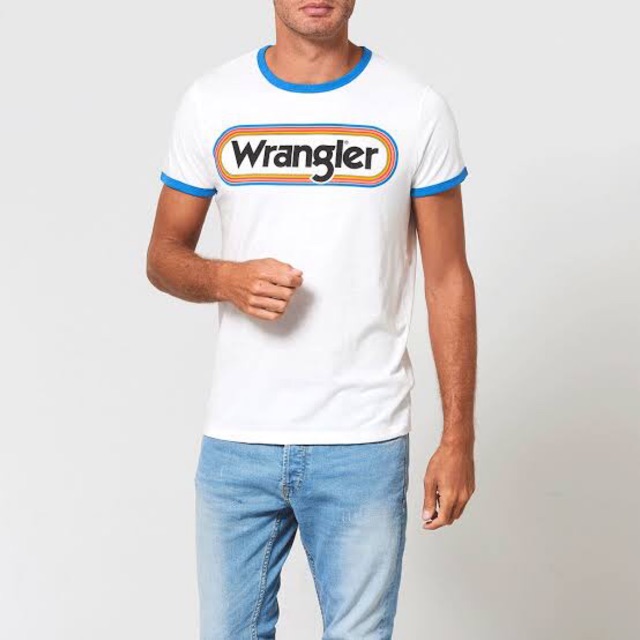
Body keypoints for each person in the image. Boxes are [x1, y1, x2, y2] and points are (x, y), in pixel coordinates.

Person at [146, 1, 477, 638]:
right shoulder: (212, 102)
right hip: (239, 436)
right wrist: (225, 279)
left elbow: (448, 278)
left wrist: (457, 436)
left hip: (364, 438)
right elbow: (163, 255)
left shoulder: (414, 109)